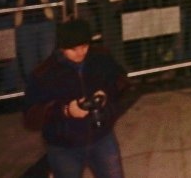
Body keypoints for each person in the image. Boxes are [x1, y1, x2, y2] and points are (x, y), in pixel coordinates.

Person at [24, 19, 129, 178]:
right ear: (61, 47)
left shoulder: (100, 57)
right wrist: (65, 110)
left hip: (102, 137)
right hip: (64, 147)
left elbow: (122, 80)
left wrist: (107, 93)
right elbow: (31, 117)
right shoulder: (43, 73)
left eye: (84, 46)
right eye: (73, 49)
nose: (81, 53)